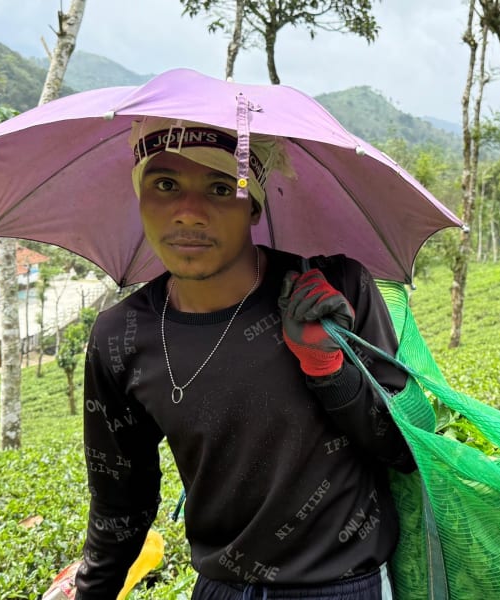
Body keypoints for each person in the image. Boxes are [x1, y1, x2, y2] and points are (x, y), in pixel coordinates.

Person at [74, 117, 416, 600]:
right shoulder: (119, 337)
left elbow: (405, 448)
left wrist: (328, 368)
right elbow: (119, 501)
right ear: (141, 198)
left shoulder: (332, 288)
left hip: (342, 587)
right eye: (166, 184)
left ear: (253, 205)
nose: (189, 213)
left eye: (219, 187)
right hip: (219, 588)